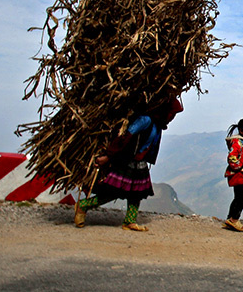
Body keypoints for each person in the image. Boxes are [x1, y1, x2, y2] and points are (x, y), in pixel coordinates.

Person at [74, 94, 183, 231]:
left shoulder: (157, 125)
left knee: (137, 193)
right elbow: (125, 137)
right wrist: (108, 157)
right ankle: (83, 205)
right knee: (113, 192)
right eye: (172, 113)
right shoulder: (145, 121)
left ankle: (130, 221)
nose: (172, 117)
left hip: (139, 163)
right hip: (126, 161)